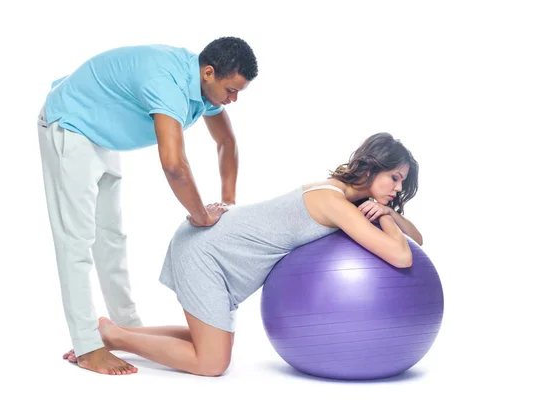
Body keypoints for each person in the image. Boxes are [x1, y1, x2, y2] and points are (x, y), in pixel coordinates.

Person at [62, 132, 423, 376]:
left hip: (215, 250)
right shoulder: (335, 202)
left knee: (208, 342)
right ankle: (111, 336)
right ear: (372, 166)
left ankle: (117, 330)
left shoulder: (349, 199)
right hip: (207, 253)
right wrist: (387, 216)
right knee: (213, 362)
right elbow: (402, 257)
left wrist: (390, 214)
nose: (398, 187)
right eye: (394, 177)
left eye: (403, 182)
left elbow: (417, 240)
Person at [37, 37, 258, 375]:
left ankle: (126, 330)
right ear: (209, 73)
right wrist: (200, 216)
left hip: (101, 133)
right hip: (71, 123)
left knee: (111, 238)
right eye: (231, 90)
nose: (234, 99)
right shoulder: (166, 83)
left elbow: (226, 141)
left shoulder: (202, 86)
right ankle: (87, 345)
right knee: (76, 240)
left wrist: (227, 202)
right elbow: (173, 164)